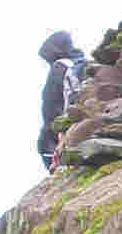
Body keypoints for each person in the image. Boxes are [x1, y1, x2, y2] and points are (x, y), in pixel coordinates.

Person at [37, 29, 86, 171]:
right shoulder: (79, 64)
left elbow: (53, 106)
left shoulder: (60, 66)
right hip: (71, 129)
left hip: (57, 137)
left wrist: (59, 135)